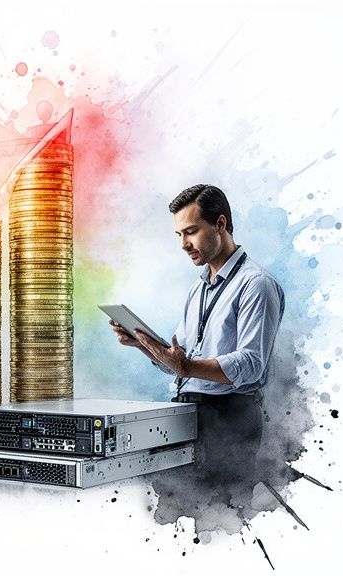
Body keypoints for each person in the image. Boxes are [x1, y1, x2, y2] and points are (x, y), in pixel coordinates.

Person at [111, 184, 284, 485]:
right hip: (190, 413)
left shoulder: (256, 284)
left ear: (220, 224)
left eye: (190, 231)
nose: (183, 244)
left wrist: (187, 367)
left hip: (229, 418)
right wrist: (143, 345)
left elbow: (251, 363)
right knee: (181, 509)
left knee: (220, 513)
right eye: (179, 235)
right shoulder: (198, 288)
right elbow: (182, 358)